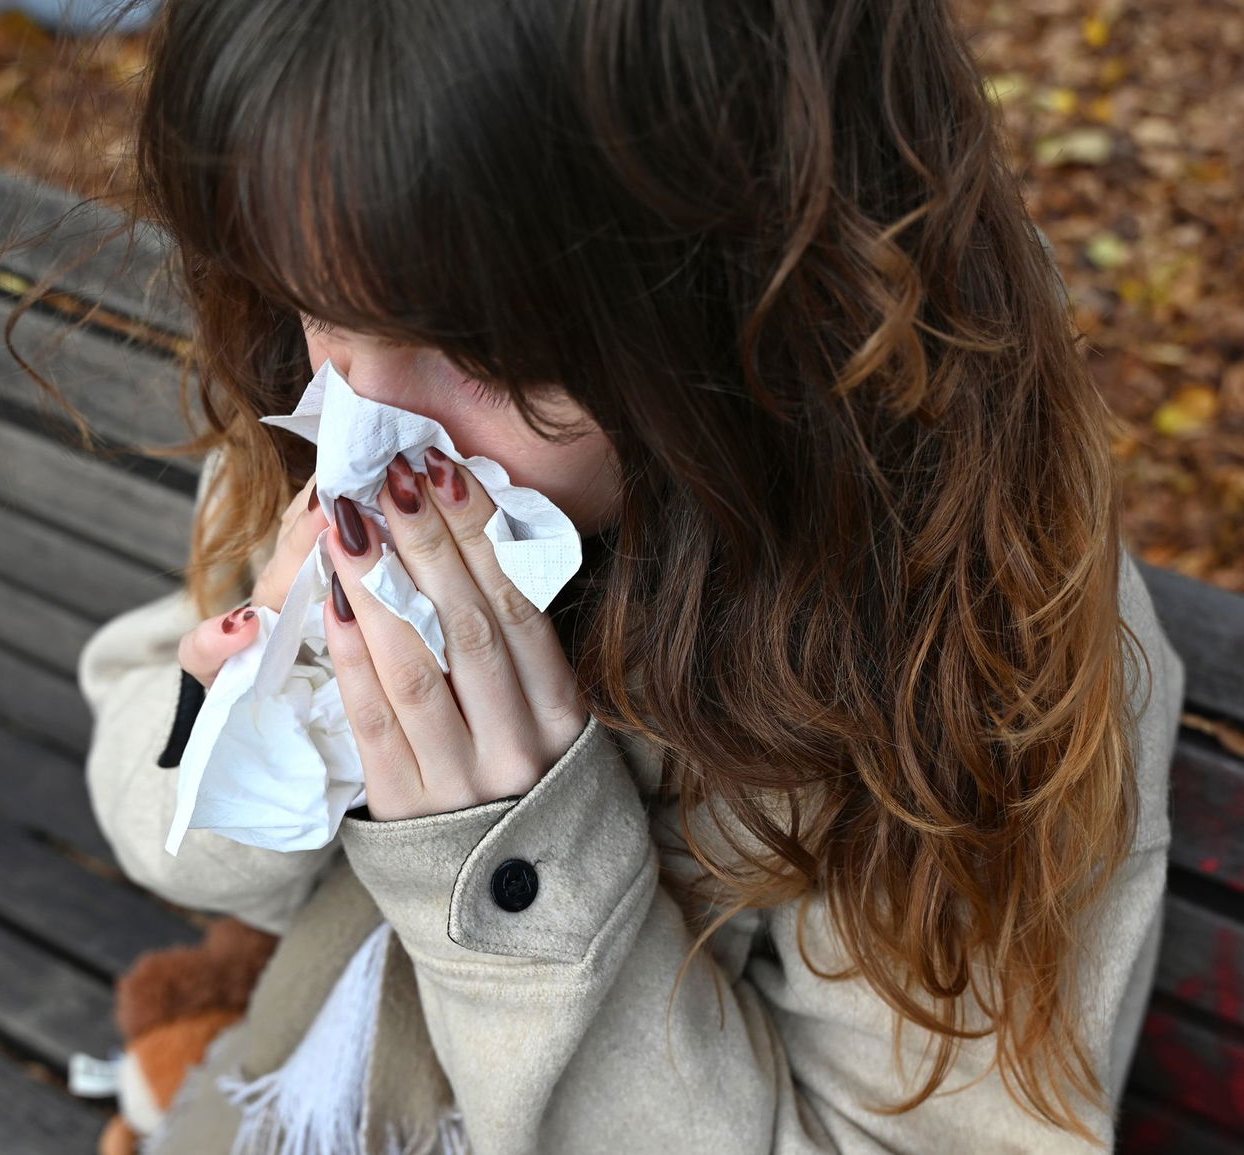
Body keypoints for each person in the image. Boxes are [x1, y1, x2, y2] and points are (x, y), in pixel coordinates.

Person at [68, 0, 1188, 1150]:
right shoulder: (326, 422)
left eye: (491, 353)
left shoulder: (974, 649)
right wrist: (257, 725)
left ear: (765, 299)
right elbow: (169, 822)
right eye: (313, 304)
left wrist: (508, 868)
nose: (370, 424)